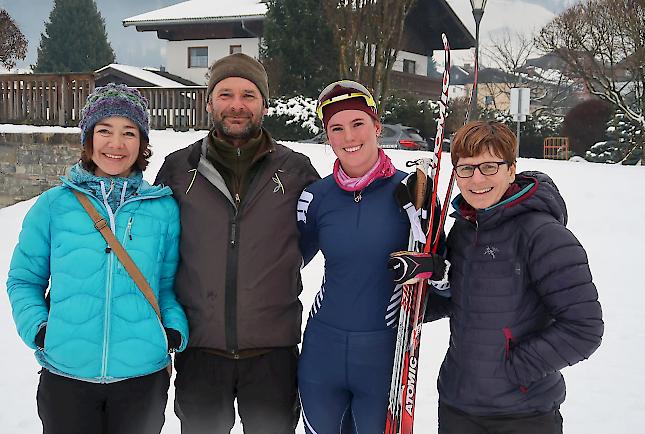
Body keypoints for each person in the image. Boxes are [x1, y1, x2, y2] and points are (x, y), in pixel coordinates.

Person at [6, 83, 189, 434]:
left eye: (129, 132)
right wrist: (41, 331)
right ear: (88, 139)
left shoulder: (163, 209)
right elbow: (24, 279)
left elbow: (167, 284)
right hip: (66, 378)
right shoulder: (54, 205)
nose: (116, 144)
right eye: (104, 131)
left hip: (142, 379)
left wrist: (171, 329)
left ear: (142, 142)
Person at [154, 52, 320, 434]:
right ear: (209, 101)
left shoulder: (296, 171)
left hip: (272, 356)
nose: (237, 105)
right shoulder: (179, 169)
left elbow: (310, 242)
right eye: (225, 94)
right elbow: (158, 245)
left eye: (248, 95)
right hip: (199, 351)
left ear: (264, 104)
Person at [424, 120, 604, 434]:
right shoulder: (465, 229)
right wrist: (424, 286)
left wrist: (516, 370)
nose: (476, 179)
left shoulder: (544, 235)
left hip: (523, 416)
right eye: (465, 169)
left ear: (511, 170)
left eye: (489, 167)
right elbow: (455, 300)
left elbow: (584, 328)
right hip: (458, 407)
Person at [296, 79, 446, 433]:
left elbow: (448, 286)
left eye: (358, 123)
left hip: (385, 354)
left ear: (377, 126)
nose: (349, 136)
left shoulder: (416, 194)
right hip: (322, 350)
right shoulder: (316, 198)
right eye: (336, 128)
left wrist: (432, 269)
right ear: (327, 136)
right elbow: (284, 265)